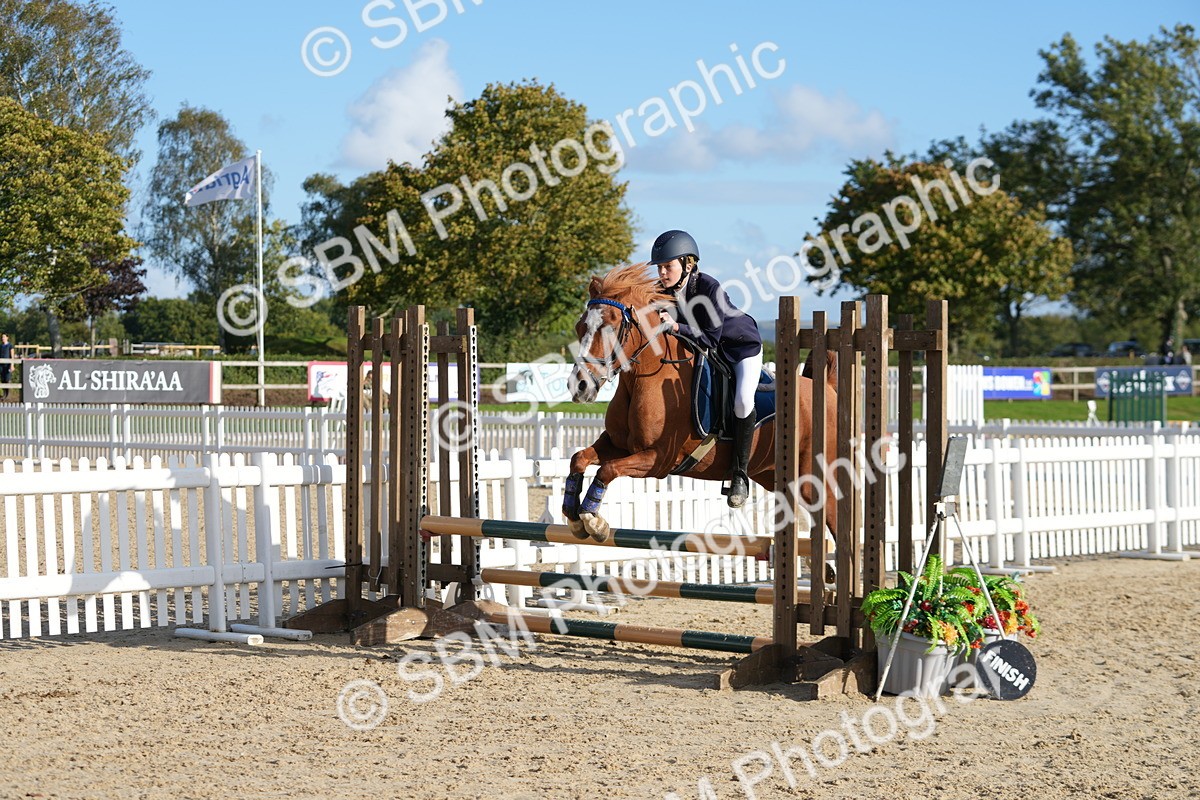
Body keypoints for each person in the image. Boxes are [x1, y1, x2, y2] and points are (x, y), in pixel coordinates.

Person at [649, 230, 762, 508]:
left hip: (740, 347)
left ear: (687, 264)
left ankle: (740, 475)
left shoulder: (710, 288)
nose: (662, 273)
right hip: (708, 351)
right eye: (660, 267)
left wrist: (676, 326)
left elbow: (710, 338)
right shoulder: (662, 290)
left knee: (742, 401)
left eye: (668, 266)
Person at [0, 333, 11, 400]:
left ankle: (7, 394)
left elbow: (12, 355)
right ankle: (4, 394)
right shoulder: (1, 346)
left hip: (7, 365)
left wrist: (12, 365)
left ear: (7, 338)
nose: (3, 338)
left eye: (4, 337)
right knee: (3, 379)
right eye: (2, 337)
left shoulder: (10, 345)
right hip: (1, 365)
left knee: (7, 379)